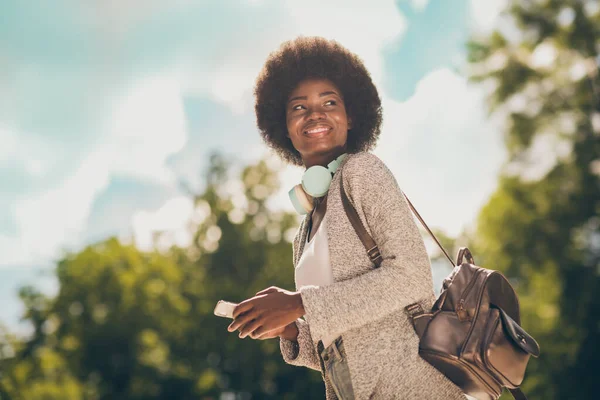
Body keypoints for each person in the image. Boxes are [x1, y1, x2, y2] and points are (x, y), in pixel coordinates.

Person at [226, 37, 467, 400]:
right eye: (298, 107)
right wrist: (291, 329)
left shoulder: (363, 172)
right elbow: (339, 347)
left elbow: (412, 277)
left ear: (351, 116)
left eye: (329, 102)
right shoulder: (305, 230)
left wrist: (299, 302)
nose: (314, 113)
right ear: (286, 127)